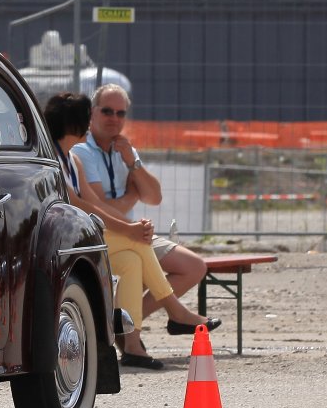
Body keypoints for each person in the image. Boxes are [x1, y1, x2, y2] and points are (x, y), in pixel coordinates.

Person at [44, 92, 216, 370]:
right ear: (74, 123)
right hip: (70, 240)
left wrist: (134, 227)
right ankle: (175, 311)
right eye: (89, 118)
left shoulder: (72, 160)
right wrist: (129, 229)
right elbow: (78, 203)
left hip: (91, 235)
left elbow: (95, 203)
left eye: (120, 113)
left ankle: (133, 346)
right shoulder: (54, 158)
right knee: (138, 244)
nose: (90, 125)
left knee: (133, 260)